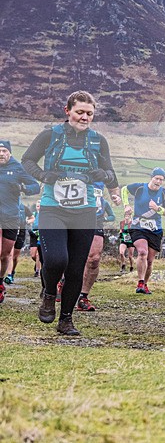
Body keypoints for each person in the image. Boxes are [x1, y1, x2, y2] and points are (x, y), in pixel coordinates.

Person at [21, 91, 121, 335]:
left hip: (85, 211)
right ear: (67, 111)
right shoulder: (50, 135)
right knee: (56, 259)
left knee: (76, 268)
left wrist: (105, 179)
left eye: (89, 114)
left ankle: (66, 319)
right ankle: (48, 292)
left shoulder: (98, 141)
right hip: (53, 208)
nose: (84, 117)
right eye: (80, 112)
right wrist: (44, 176)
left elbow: (110, 172)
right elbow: (27, 161)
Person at [122, 168, 165, 294]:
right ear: (151, 178)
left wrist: (158, 209)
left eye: (161, 179)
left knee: (150, 261)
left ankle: (144, 284)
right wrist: (126, 205)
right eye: (156, 178)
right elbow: (124, 189)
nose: (158, 181)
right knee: (142, 252)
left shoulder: (163, 193)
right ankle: (140, 282)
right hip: (138, 226)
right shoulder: (140, 188)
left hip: (155, 229)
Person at [0, 140, 40, 302]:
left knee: (4, 255)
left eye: (4, 151)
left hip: (11, 217)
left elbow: (35, 186)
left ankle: (0, 281)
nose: (1, 154)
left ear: (9, 153)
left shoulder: (17, 168)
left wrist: (23, 188)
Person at [76, 182, 116, 312]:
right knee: (72, 257)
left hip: (96, 222)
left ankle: (83, 297)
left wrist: (116, 195)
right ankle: (63, 281)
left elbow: (113, 184)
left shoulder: (102, 170)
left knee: (93, 259)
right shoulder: (75, 164)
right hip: (75, 217)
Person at [5, 201, 35, 285]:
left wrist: (27, 222)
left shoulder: (24, 207)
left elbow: (32, 217)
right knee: (10, 254)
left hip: (21, 231)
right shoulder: (7, 205)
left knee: (15, 256)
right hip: (11, 229)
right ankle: (9, 275)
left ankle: (12, 271)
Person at [29, 200, 42, 278]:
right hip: (33, 235)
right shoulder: (34, 214)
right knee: (33, 255)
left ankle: (38, 271)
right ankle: (38, 263)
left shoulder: (45, 215)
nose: (39, 207)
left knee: (38, 254)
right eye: (37, 206)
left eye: (40, 205)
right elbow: (30, 220)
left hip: (41, 234)